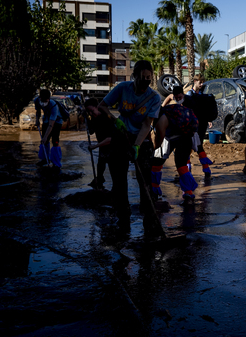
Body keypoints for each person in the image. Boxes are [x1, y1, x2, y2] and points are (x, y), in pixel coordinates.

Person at [98, 60, 161, 225]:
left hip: (141, 139)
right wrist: (114, 120)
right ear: (135, 76)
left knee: (145, 181)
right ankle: (123, 216)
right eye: (143, 77)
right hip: (120, 136)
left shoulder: (154, 97)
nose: (146, 80)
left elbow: (147, 124)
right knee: (119, 180)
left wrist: (137, 145)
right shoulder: (122, 88)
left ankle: (149, 218)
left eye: (149, 77)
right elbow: (102, 105)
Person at [152, 90, 199, 204]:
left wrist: (155, 148)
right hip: (187, 138)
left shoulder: (162, 115)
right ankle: (189, 193)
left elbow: (160, 136)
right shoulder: (180, 110)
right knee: (182, 165)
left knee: (157, 162)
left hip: (176, 138)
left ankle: (154, 190)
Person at [179, 75, 214, 178]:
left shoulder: (202, 95)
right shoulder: (189, 94)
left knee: (197, 145)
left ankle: (193, 168)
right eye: (200, 82)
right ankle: (202, 168)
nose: (202, 84)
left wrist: (209, 120)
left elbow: (204, 109)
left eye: (203, 82)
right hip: (191, 124)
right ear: (195, 81)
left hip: (200, 124)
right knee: (191, 145)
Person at [84, 98, 114, 190]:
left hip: (112, 147)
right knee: (100, 165)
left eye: (92, 111)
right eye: (89, 112)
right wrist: (87, 119)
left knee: (113, 168)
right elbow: (92, 131)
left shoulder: (106, 118)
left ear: (97, 107)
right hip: (102, 146)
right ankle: (99, 181)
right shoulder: (94, 118)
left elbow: (110, 139)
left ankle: (115, 188)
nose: (91, 114)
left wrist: (94, 146)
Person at [34, 89, 64, 170]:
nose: (45, 102)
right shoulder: (37, 100)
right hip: (46, 119)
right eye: (43, 100)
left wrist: (45, 137)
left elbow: (51, 125)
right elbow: (38, 111)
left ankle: (56, 162)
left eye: (46, 100)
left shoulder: (54, 106)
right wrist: (37, 120)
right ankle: (44, 159)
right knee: (45, 141)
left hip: (57, 121)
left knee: (55, 140)